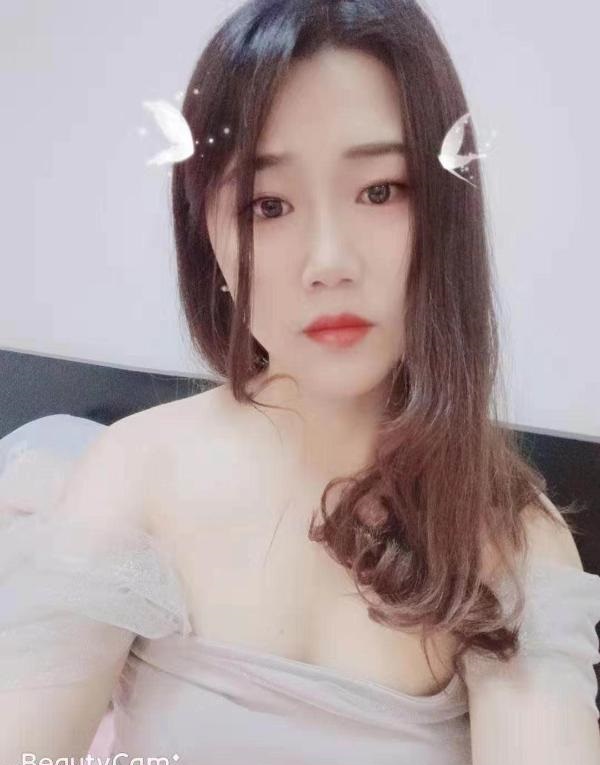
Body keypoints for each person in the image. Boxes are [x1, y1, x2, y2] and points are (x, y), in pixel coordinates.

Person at [2, 1, 600, 762]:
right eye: (268, 204)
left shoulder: (511, 538)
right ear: (208, 238)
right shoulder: (137, 471)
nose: (329, 261)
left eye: (380, 190)